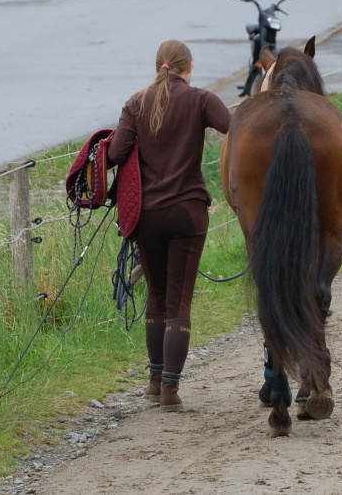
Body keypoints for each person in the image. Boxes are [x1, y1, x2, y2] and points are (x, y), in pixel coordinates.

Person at [108, 40, 232, 412]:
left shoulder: (134, 103)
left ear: (159, 65)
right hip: (187, 213)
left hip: (146, 216)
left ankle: (152, 380)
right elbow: (236, 128)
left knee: (157, 296)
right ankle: (170, 390)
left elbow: (115, 154)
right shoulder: (201, 100)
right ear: (188, 66)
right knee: (179, 300)